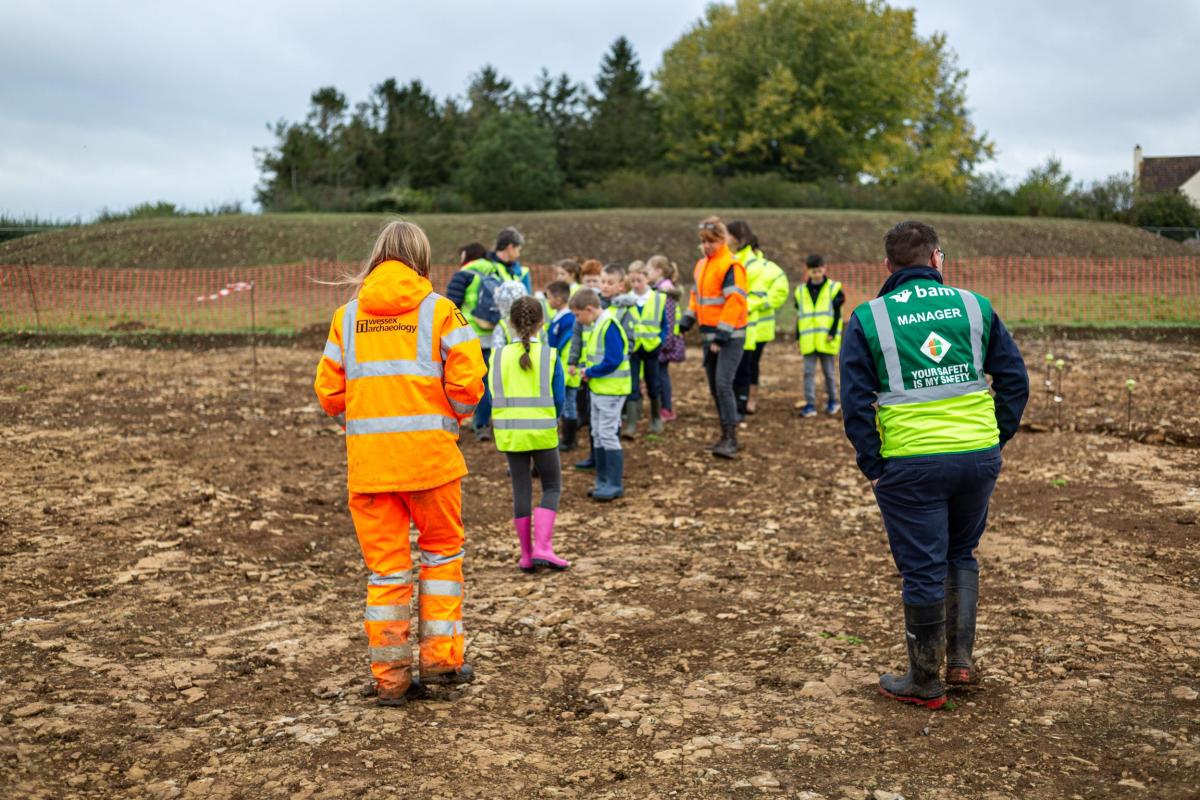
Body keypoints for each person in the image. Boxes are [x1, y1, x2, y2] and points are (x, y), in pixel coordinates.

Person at [840, 221, 1029, 710]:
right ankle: (959, 662)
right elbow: (1014, 380)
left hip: (910, 463)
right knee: (960, 553)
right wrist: (994, 439)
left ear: (888, 266)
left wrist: (873, 464)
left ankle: (925, 681)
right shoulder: (974, 306)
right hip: (976, 456)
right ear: (937, 259)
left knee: (922, 568)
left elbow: (855, 403)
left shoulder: (868, 318)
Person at [314, 220, 486, 706]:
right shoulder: (442, 312)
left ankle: (390, 680)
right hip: (432, 463)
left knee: (386, 573)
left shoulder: (346, 317)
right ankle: (442, 662)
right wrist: (451, 413)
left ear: (377, 256)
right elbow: (469, 385)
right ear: (421, 258)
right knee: (441, 559)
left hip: (370, 470)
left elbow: (329, 394)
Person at [490, 296, 570, 572]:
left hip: (511, 434)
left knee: (520, 489)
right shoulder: (549, 356)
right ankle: (543, 547)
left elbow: (493, 395)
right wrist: (551, 417)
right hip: (543, 432)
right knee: (551, 487)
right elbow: (559, 398)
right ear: (542, 324)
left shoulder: (498, 357)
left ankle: (526, 554)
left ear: (510, 323)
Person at [446, 228, 530, 440]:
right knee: (489, 381)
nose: (519, 253)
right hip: (488, 334)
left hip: (482, 335)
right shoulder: (492, 270)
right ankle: (486, 423)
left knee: (484, 381)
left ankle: (481, 424)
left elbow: (451, 301)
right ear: (510, 248)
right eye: (518, 249)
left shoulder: (478, 270)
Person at [678, 216, 748, 459]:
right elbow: (696, 296)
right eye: (703, 242)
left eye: (712, 241)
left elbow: (735, 302)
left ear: (723, 240)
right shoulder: (702, 264)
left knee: (723, 384)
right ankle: (724, 433)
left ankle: (731, 438)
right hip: (709, 335)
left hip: (730, 336)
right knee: (714, 388)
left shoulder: (730, 265)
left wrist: (721, 335)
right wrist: (687, 319)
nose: (707, 246)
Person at [570, 289, 631, 501]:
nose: (578, 320)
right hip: (599, 389)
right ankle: (602, 479)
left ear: (589, 309)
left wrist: (590, 372)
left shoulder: (609, 325)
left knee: (607, 433)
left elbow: (613, 360)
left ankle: (614, 483)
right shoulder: (598, 324)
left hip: (611, 391)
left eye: (578, 315)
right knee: (597, 432)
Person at [727, 221, 788, 418]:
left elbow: (780, 292)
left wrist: (753, 305)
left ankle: (748, 399)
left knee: (751, 364)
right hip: (741, 324)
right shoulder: (735, 261)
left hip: (758, 328)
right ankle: (740, 400)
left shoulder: (764, 268)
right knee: (741, 365)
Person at [621, 262, 670, 437]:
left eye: (639, 280)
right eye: (632, 280)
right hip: (633, 349)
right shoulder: (625, 300)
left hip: (652, 348)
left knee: (653, 383)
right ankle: (632, 424)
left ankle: (656, 419)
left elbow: (665, 324)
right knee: (632, 384)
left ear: (647, 279)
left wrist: (660, 340)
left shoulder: (659, 298)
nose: (635, 284)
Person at [795, 254, 846, 417]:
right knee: (808, 373)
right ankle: (810, 404)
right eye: (813, 271)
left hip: (826, 340)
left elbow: (838, 314)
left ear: (824, 269)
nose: (816, 274)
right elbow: (799, 316)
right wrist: (798, 337)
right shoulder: (800, 291)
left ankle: (833, 401)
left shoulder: (834, 289)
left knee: (829, 373)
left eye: (819, 271)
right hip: (808, 341)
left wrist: (832, 333)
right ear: (808, 271)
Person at [647, 255, 684, 423]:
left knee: (662, 375)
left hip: (664, 342)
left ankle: (666, 409)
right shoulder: (659, 289)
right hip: (661, 340)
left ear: (659, 271)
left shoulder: (665, 291)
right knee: (659, 374)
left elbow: (668, 318)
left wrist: (665, 342)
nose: (647, 273)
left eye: (649, 270)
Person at [544, 280, 579, 451]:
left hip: (567, 370)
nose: (548, 301)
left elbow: (562, 346)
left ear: (558, 299)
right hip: (560, 368)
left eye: (549, 297)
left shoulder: (568, 320)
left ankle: (569, 440)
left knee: (569, 404)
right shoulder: (557, 318)